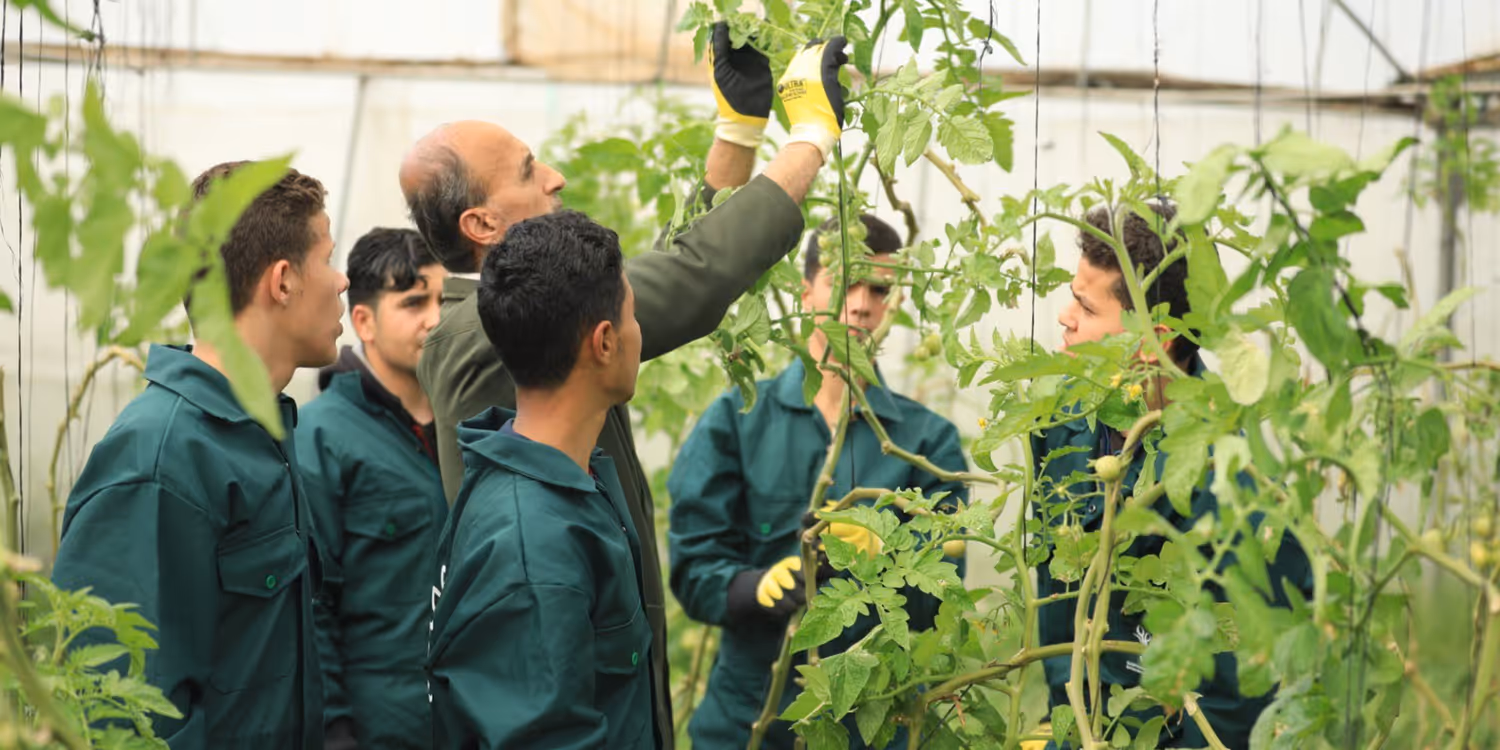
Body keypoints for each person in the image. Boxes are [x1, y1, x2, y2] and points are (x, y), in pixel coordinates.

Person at [402, 24, 851, 748]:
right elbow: (685, 279)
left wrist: (736, 132)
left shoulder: (504, 317)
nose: (555, 178)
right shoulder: (472, 338)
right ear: (482, 222)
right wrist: (810, 139)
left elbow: (647, 284)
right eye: (528, 170)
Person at [51, 162, 347, 750]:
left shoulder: (261, 434)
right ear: (282, 280)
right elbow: (118, 712)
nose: (342, 282)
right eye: (328, 260)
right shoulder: (162, 461)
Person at [667, 214, 970, 749]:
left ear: (891, 303)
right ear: (807, 292)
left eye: (878, 288)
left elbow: (942, 598)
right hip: (751, 721)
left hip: (873, 725)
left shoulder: (927, 444)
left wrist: (888, 548)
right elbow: (693, 567)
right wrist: (753, 588)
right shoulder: (737, 420)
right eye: (844, 281)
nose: (860, 303)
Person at [1031, 201, 1313, 749]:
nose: (1065, 317)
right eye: (1072, 297)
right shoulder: (1060, 426)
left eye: (1086, 309)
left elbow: (1237, 707)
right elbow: (1056, 608)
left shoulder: (1237, 491)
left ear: (1153, 341)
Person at [426, 210, 652, 748]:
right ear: (604, 342)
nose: (639, 334)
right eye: (633, 317)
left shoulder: (546, 477)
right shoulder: (535, 549)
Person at [295, 227, 448, 750]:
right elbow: (311, 607)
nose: (436, 318)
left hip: (473, 721)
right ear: (364, 321)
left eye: (442, 299)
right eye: (413, 303)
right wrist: (336, 732)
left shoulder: (468, 427)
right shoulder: (322, 437)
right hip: (381, 728)